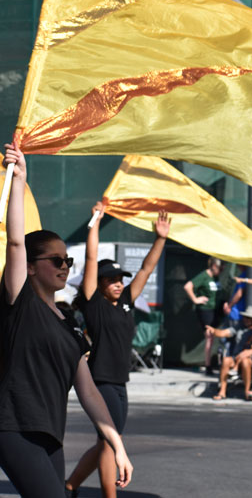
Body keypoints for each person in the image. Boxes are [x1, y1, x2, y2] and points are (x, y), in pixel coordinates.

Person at [0, 145, 132, 496]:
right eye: (55, 260)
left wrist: (116, 444)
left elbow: (87, 391)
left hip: (50, 435)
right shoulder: (20, 302)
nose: (63, 267)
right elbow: (15, 242)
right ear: (31, 265)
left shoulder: (70, 322)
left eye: (67, 262)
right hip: (13, 428)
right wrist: (19, 181)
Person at [65, 202, 169, 497]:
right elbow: (92, 255)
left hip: (120, 381)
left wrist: (160, 238)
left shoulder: (125, 303)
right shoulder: (93, 302)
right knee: (112, 441)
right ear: (98, 284)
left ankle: (70, 484)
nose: (118, 284)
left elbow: (147, 268)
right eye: (111, 280)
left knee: (105, 441)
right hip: (101, 381)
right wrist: (95, 221)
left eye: (120, 279)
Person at [206, 305, 252, 401]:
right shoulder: (239, 327)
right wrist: (214, 331)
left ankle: (247, 392)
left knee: (245, 361)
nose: (245, 319)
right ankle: (222, 391)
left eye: (248, 318)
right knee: (226, 360)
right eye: (245, 317)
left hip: (251, 359)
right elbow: (224, 333)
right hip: (236, 356)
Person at [184, 256, 222, 374]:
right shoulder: (204, 276)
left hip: (217, 310)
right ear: (214, 266)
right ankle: (208, 365)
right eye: (220, 268)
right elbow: (188, 286)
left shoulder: (216, 277)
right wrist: (195, 299)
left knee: (217, 336)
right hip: (206, 310)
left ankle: (218, 363)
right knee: (209, 336)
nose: (221, 271)